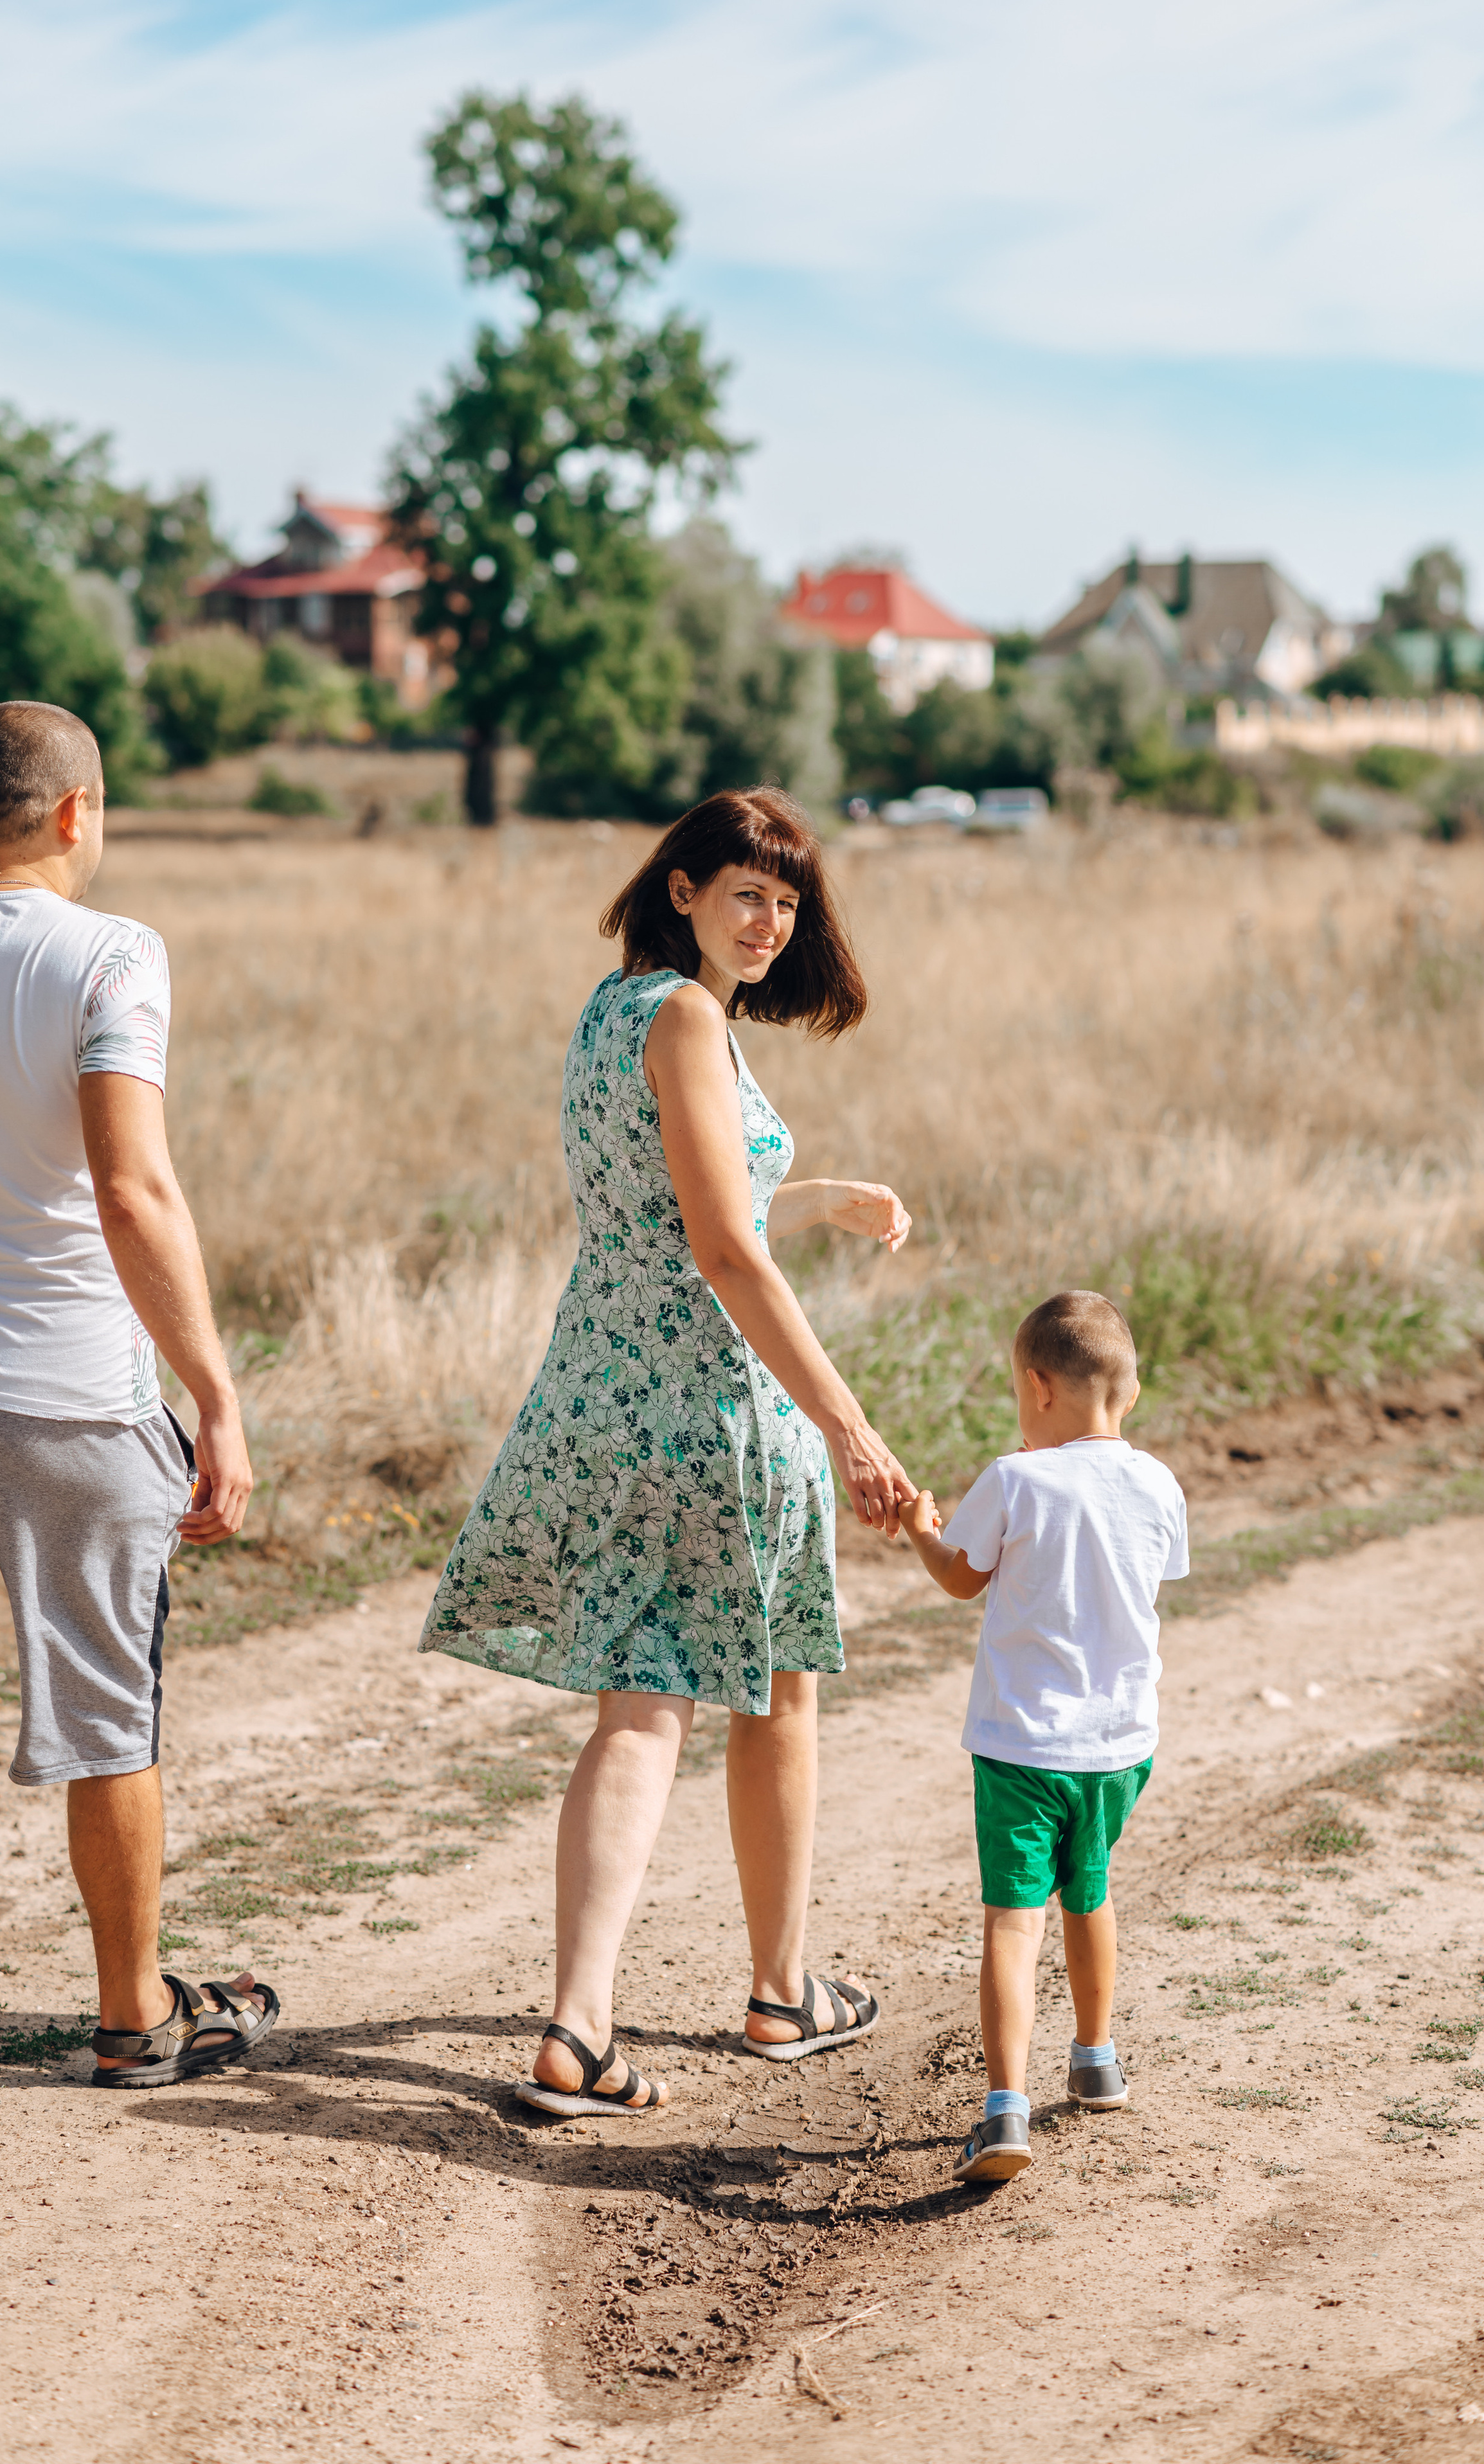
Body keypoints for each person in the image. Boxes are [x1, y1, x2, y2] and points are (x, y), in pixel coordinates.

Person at [422, 787, 917, 2116]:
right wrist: (848, 1423)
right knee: (767, 1693)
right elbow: (716, 1249)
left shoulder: (615, 1008)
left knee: (646, 1701)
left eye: (788, 903)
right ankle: (774, 1992)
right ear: (683, 887)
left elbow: (668, 1202)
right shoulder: (689, 1017)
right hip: (707, 1402)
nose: (769, 922)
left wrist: (813, 1198)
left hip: (601, 1385)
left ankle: (593, 2021)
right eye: (746, 894)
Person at [0, 700, 276, 2087]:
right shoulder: (114, 953)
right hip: (65, 1391)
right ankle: (132, 2018)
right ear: (73, 812)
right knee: (108, 1710)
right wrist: (214, 1394)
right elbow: (130, 1186)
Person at [897, 1290, 1188, 2181]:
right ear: (1128, 1396)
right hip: (1120, 1746)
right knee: (1089, 1895)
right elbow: (1149, 1578)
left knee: (1013, 1922)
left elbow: (960, 1577)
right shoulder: (1157, 1483)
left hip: (1024, 1743)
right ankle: (1096, 2057)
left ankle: (1004, 2110)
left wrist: (921, 1529)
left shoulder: (1015, 1480)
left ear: (1037, 1386)